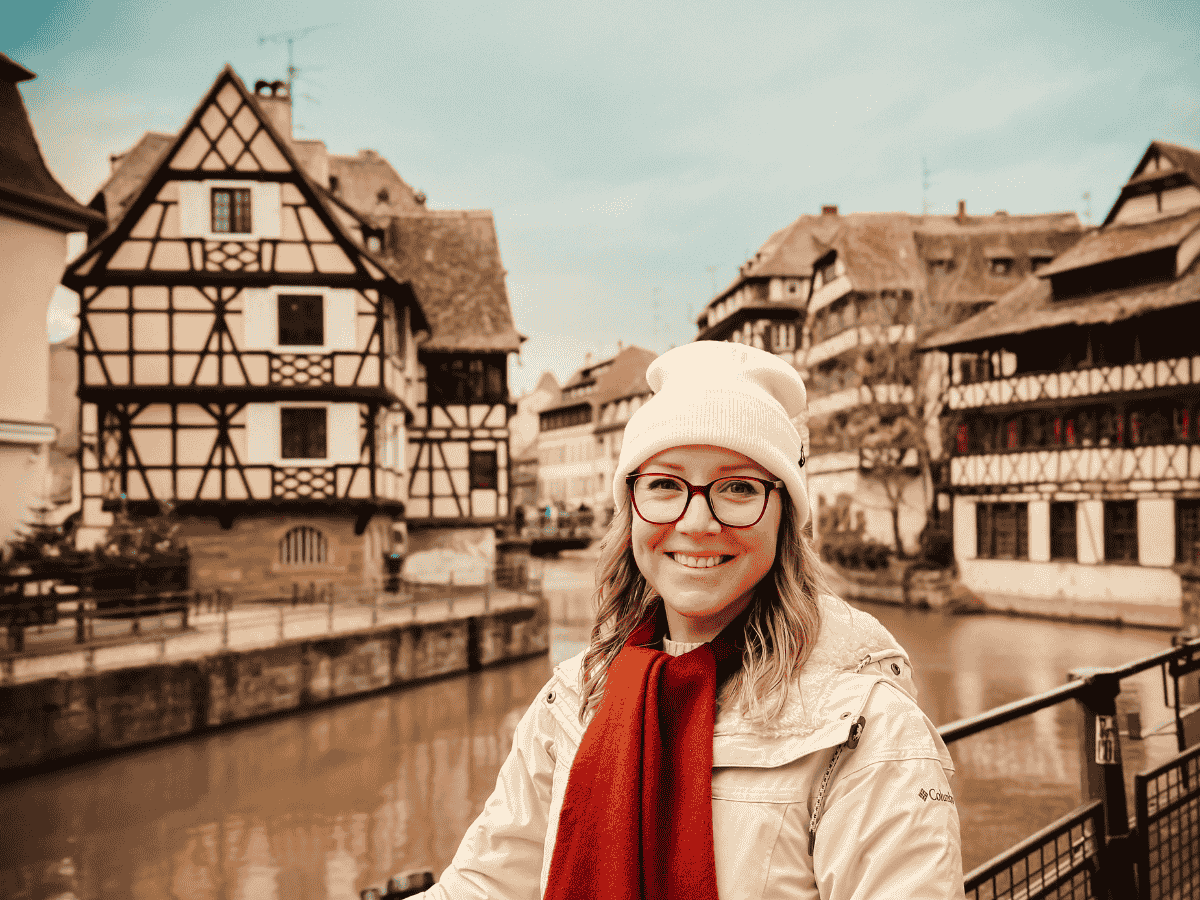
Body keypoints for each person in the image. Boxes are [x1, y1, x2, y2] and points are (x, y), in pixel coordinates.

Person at [414, 341, 963, 899]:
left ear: (786, 516)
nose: (697, 521)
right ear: (630, 510)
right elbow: (483, 887)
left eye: (739, 488)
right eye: (665, 485)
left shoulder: (867, 731)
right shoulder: (573, 701)